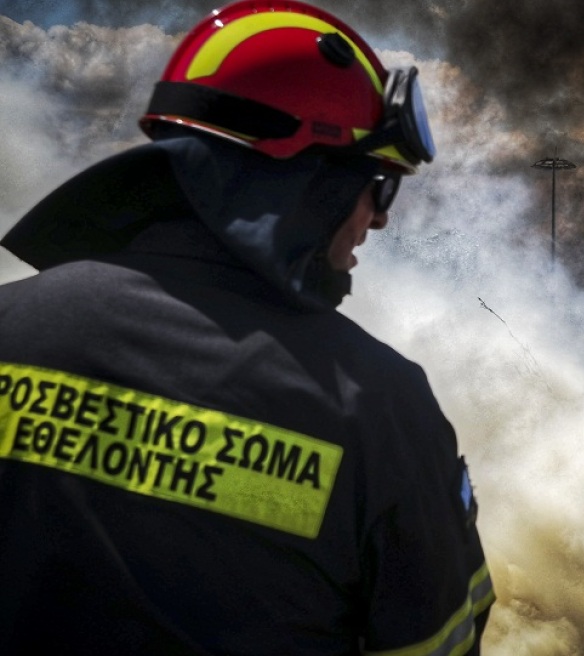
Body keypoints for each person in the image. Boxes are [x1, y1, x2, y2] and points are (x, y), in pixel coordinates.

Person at [0, 2, 493, 654]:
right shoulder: (380, 408)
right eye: (378, 186)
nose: (378, 219)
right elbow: (441, 643)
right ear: (312, 179)